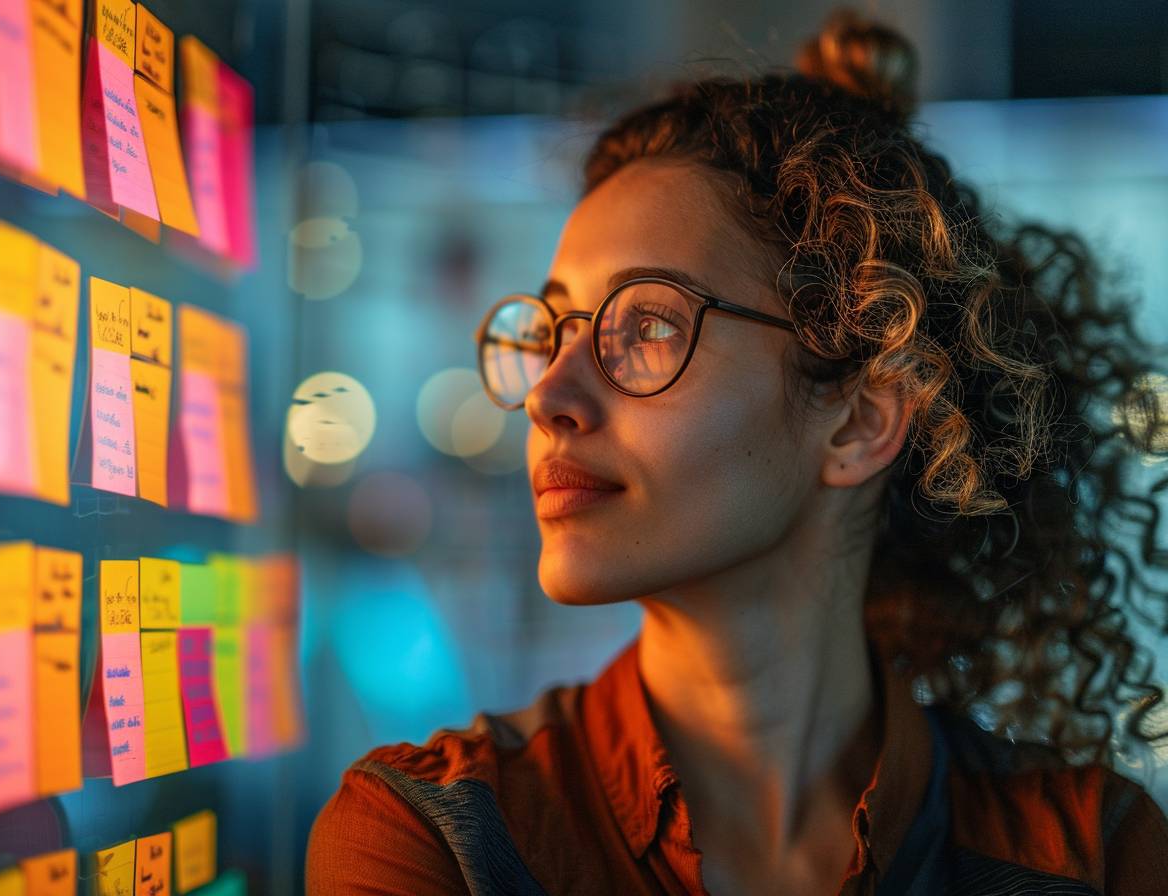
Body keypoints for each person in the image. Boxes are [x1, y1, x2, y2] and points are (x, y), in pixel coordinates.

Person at [306, 8, 1168, 894]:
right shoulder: (432, 839)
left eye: (645, 323)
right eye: (554, 331)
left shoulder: (1088, 853)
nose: (547, 396)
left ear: (860, 422)